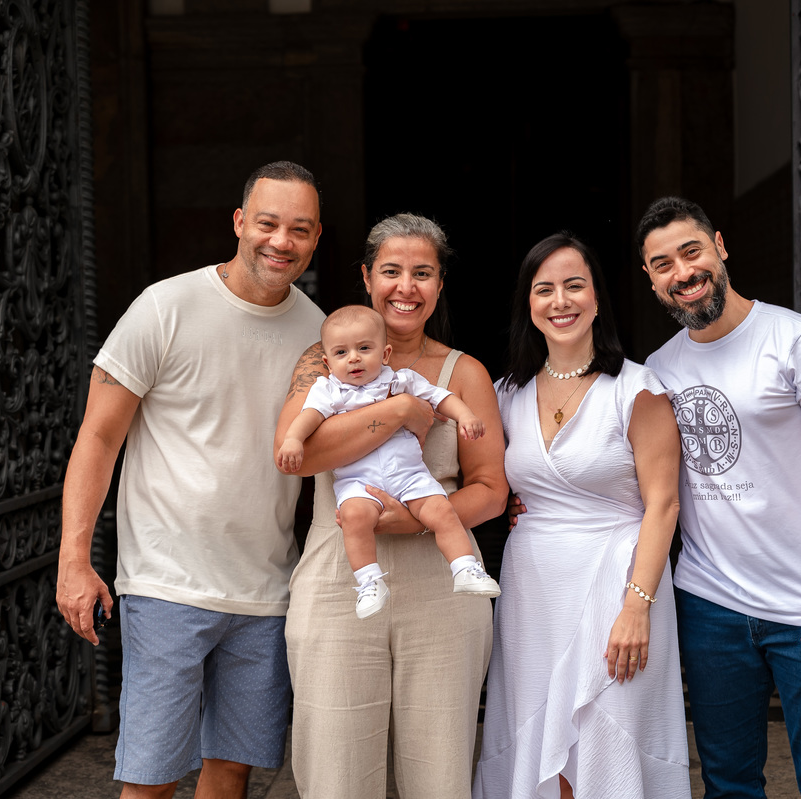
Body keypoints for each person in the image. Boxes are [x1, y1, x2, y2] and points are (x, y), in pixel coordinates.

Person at [55, 161, 326, 798]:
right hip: (167, 584)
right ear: (239, 222)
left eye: (300, 229)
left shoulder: (319, 333)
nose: (281, 241)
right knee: (152, 779)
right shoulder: (165, 307)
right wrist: (74, 559)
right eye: (267, 223)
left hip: (266, 592)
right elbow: (98, 437)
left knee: (231, 773)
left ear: (317, 238)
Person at [638, 196, 801, 799]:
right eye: (664, 264)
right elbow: (641, 478)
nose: (683, 273)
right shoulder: (658, 369)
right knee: (727, 783)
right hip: (711, 605)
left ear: (720, 246)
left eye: (692, 252)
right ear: (650, 278)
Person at [276, 213, 508, 798]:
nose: (406, 287)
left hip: (442, 587)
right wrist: (400, 411)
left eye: (422, 273)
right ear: (366, 277)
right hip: (339, 582)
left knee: (439, 771)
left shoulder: (464, 372)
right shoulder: (322, 361)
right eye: (391, 271)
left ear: (440, 284)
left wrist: (412, 521)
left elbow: (491, 489)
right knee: (334, 772)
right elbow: (297, 455)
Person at [474, 233, 690, 799]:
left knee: (606, 736)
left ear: (597, 298)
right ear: (528, 303)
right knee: (538, 739)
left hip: (618, 583)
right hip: (534, 592)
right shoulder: (505, 394)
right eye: (544, 289)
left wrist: (636, 606)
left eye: (574, 285)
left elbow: (664, 504)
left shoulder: (637, 389)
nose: (560, 301)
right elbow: (487, 479)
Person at [276, 304, 500, 618]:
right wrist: (293, 439)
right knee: (354, 517)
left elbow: (439, 396)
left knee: (442, 510)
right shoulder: (328, 389)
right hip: (360, 482)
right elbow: (309, 417)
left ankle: (465, 568)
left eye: (364, 349)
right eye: (341, 353)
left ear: (385, 354)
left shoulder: (399, 380)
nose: (353, 358)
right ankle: (369, 581)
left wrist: (465, 415)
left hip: (409, 476)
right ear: (327, 363)